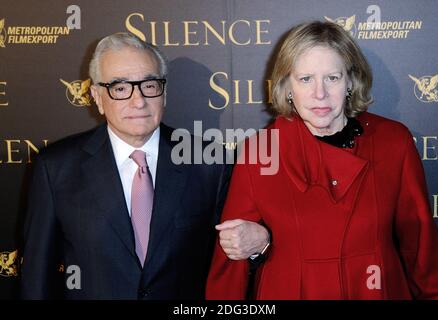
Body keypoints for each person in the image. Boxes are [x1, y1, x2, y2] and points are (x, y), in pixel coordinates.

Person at [206, 21, 438, 299]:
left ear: (350, 81)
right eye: (305, 79)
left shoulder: (393, 142)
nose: (319, 93)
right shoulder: (259, 151)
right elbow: (229, 264)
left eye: (332, 78)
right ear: (287, 86)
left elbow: (420, 246)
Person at [20, 32, 269, 299]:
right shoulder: (56, 167)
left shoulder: (209, 161)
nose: (138, 101)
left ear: (164, 93)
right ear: (97, 96)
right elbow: (37, 276)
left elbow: (237, 262)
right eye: (120, 87)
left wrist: (260, 243)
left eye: (149, 85)